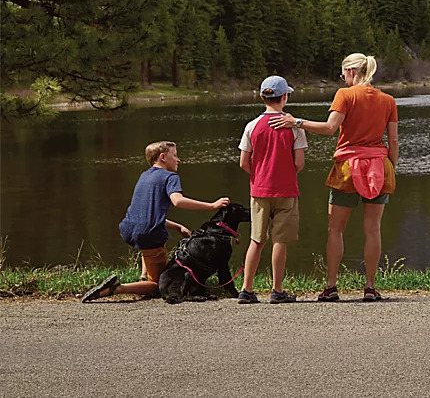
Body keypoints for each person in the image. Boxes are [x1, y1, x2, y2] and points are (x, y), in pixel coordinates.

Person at [272, 53, 398, 302]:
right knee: (373, 229)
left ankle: (331, 287)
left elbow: (330, 128)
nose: (343, 79)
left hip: (347, 169)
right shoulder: (388, 100)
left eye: (343, 74)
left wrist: (296, 122)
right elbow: (393, 140)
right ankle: (370, 287)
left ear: (351, 72)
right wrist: (389, 167)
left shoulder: (345, 95)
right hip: (378, 167)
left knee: (335, 230)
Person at [83, 141, 231, 302]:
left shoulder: (144, 176)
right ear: (163, 157)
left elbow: (148, 215)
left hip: (128, 228)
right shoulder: (170, 177)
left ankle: (142, 276)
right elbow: (178, 201)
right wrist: (212, 206)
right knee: (161, 285)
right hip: (148, 234)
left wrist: (177, 226)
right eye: (174, 156)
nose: (178, 160)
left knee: (147, 242)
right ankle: (117, 288)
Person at [236, 76, 307, 304]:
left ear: (261, 97)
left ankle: (246, 289)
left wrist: (259, 176)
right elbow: (299, 163)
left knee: (256, 240)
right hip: (286, 191)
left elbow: (243, 162)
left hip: (259, 191)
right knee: (280, 241)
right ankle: (277, 290)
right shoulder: (293, 126)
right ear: (285, 97)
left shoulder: (252, 126)